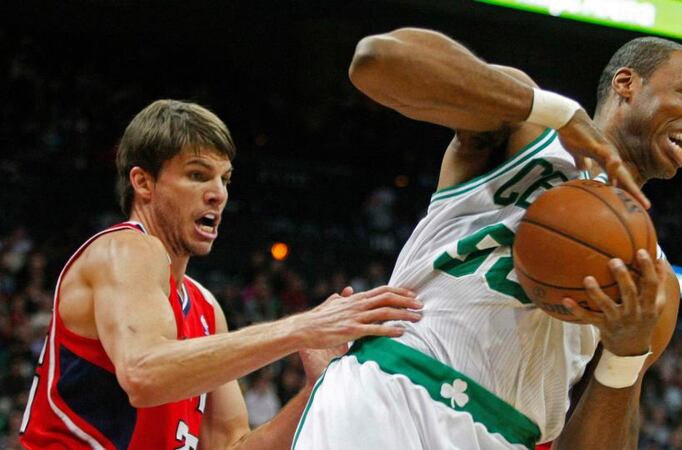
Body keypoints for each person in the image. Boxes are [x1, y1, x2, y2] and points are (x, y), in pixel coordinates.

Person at [292, 29, 682, 449]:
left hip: (508, 438)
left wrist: (625, 354)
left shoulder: (656, 283)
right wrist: (556, 111)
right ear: (627, 83)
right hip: (394, 387)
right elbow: (376, 60)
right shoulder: (530, 129)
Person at [18, 100, 422, 449]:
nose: (218, 193)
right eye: (197, 175)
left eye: (224, 179)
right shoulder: (124, 248)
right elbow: (144, 373)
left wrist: (319, 386)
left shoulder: (207, 309)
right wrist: (305, 327)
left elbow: (233, 445)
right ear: (143, 182)